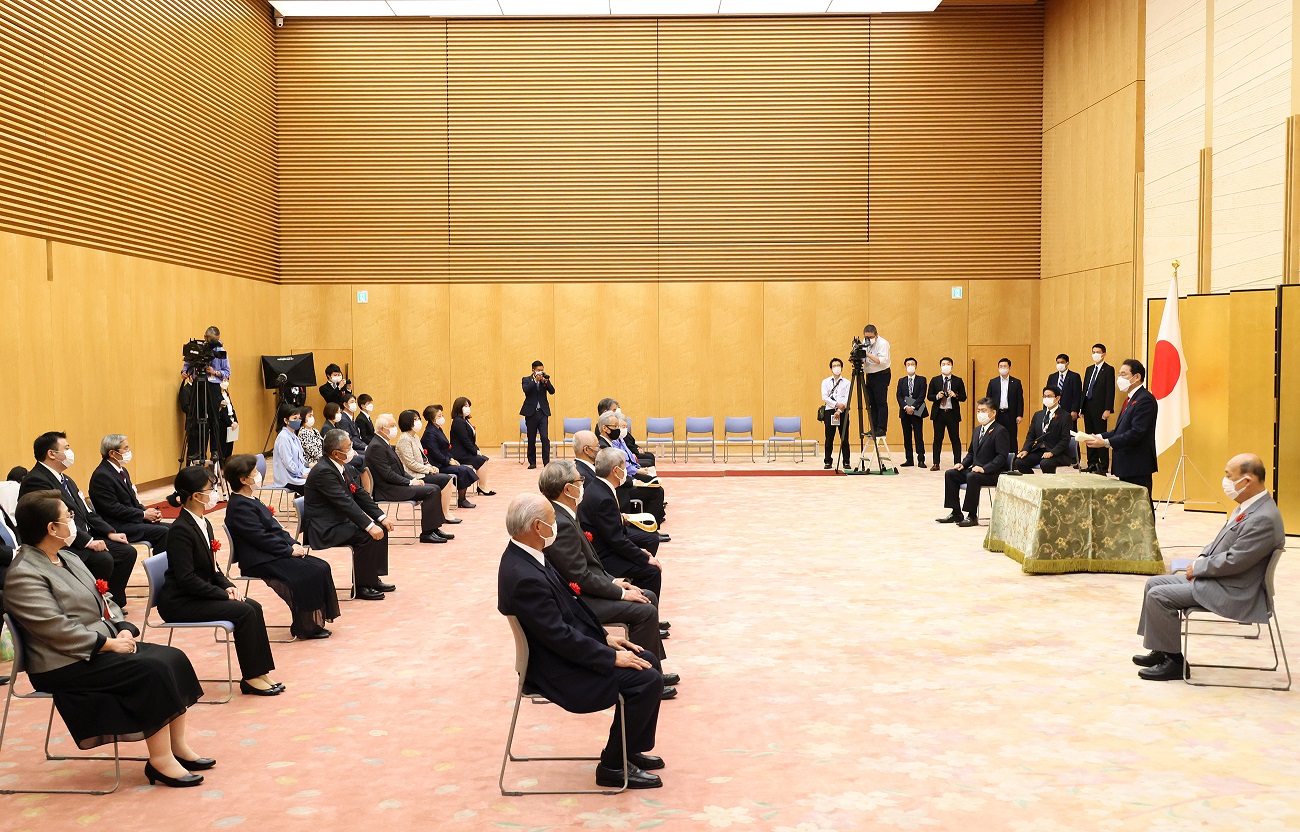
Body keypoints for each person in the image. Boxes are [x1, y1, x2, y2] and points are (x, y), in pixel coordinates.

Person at [3, 490, 209, 787]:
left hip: (97, 645)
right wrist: (108, 644)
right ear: (52, 528)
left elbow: (104, 596)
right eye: (68, 517)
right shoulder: (24, 573)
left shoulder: (67, 557)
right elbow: (54, 628)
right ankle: (160, 760)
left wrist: (121, 626)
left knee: (172, 657)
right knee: (151, 670)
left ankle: (177, 747)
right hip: (63, 663)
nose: (73, 521)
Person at [497, 493, 666, 789]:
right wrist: (609, 657)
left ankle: (626, 750)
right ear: (537, 527)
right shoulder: (525, 576)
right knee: (646, 679)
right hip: (556, 670)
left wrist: (605, 638)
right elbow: (559, 637)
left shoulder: (530, 556)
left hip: (562, 654)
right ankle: (612, 766)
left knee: (647, 661)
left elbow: (572, 606)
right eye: (552, 520)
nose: (556, 526)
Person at [1132, 454, 1284, 681]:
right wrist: (1201, 559)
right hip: (1222, 579)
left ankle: (1174, 662)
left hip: (1235, 590)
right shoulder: (1250, 506)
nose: (1225, 481)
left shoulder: (1264, 518)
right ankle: (1162, 648)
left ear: (1247, 480)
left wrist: (1200, 568)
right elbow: (1219, 542)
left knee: (1159, 596)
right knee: (1153, 583)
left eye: (1229, 476)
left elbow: (1235, 560)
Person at [540, 461, 676, 685]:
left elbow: (587, 566)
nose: (583, 484)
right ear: (567, 489)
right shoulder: (561, 522)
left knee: (647, 596)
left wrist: (615, 582)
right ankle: (647, 679)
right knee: (645, 610)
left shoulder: (565, 514)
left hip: (587, 590)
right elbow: (580, 575)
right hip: (580, 603)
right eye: (580, 481)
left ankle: (652, 669)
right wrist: (620, 593)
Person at [157, 467, 283, 696]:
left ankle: (260, 672)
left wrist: (228, 586)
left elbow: (213, 569)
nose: (215, 492)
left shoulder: (204, 523)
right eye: (211, 488)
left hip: (198, 594)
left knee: (253, 606)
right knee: (244, 612)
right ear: (196, 496)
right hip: (180, 601)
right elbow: (186, 579)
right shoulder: (180, 531)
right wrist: (223, 594)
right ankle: (251, 678)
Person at [222, 455, 339, 640]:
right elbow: (260, 538)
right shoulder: (239, 507)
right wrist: (288, 551)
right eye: (254, 472)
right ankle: (306, 626)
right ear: (243, 480)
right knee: (308, 573)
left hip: (270, 552)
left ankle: (312, 622)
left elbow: (275, 528)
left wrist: (292, 543)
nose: (259, 474)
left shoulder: (251, 499)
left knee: (321, 566)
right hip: (258, 559)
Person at [20, 432, 137, 607]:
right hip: (61, 541)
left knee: (126, 552)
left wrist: (109, 532)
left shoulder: (66, 479)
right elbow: (54, 519)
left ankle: (113, 603)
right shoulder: (36, 480)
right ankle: (92, 604)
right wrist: (88, 542)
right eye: (66, 448)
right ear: (52, 454)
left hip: (81, 535)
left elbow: (87, 513)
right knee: (103, 559)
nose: (70, 452)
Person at [304, 430, 395, 600]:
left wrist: (381, 517)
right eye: (348, 447)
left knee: (380, 527)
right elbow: (345, 503)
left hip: (339, 521)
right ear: (336, 453)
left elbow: (358, 493)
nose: (352, 450)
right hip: (324, 528)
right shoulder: (324, 472)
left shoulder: (340, 465)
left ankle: (372, 578)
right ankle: (362, 586)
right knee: (366, 535)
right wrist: (369, 526)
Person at [579, 448, 664, 600]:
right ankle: (645, 609)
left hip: (605, 546)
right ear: (616, 471)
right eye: (624, 466)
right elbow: (616, 540)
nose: (626, 471)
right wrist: (643, 557)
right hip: (603, 557)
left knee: (647, 547)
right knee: (652, 571)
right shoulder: (603, 498)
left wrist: (639, 552)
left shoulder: (598, 487)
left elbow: (615, 535)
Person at [369, 412, 454, 544]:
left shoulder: (385, 443)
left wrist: (413, 480)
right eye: (391, 425)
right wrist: (410, 482)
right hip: (388, 489)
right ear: (381, 429)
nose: (394, 428)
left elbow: (400, 470)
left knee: (435, 488)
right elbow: (388, 474)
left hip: (396, 485)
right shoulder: (376, 446)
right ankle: (427, 533)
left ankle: (434, 529)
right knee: (431, 491)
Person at [1084, 359, 1158, 503]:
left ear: (1136, 377)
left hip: (1137, 464)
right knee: (1128, 506)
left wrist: (1105, 442)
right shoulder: (1130, 399)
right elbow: (1120, 430)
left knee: (1141, 506)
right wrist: (1098, 436)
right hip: (1126, 463)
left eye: (1123, 374)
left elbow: (1136, 433)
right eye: (1119, 374)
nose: (1119, 378)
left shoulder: (1145, 399)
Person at [936, 398, 1010, 528]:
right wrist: (963, 464)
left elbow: (1002, 457)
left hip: (992, 473)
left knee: (973, 477)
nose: (980, 414)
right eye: (978, 411)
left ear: (993, 413)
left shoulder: (1000, 431)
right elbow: (971, 453)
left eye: (984, 411)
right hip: (975, 470)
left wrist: (984, 469)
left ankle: (971, 515)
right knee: (951, 474)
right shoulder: (977, 430)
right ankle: (956, 512)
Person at [89, 434, 170, 551]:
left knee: (174, 529)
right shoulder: (102, 475)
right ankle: (160, 563)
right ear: (112, 453)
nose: (129, 451)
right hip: (117, 524)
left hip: (131, 519)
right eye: (126, 448)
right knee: (163, 532)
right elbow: (113, 508)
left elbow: (133, 501)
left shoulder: (122, 471)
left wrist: (149, 513)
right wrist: (142, 515)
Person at [180, 326, 229, 465]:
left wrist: (214, 372)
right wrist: (184, 372)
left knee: (214, 419)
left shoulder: (221, 351)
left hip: (213, 387)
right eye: (212, 340)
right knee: (196, 418)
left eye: (216, 340)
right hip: (198, 385)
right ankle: (197, 450)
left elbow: (227, 372)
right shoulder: (197, 349)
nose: (214, 343)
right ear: (205, 337)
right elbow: (187, 364)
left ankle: (214, 450)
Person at [422, 404, 479, 508]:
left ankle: (462, 499)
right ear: (433, 419)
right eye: (439, 416)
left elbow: (445, 448)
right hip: (437, 465)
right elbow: (435, 453)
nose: (442, 418)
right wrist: (448, 461)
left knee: (465, 469)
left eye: (442, 415)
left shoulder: (438, 429)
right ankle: (462, 499)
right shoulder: (430, 433)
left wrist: (451, 458)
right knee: (463, 471)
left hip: (444, 461)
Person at [1014, 387, 1073, 474]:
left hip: (1058, 452)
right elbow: (1031, 436)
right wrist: (1025, 450)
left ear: (1057, 398)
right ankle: (1033, 480)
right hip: (1040, 450)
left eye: (1049, 396)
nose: (1046, 399)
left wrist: (1052, 452)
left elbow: (1065, 439)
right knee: (1019, 462)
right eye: (1044, 396)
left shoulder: (1065, 416)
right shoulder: (1038, 415)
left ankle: (1049, 482)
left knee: (1045, 463)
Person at [449, 396, 495, 496]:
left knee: (483, 459)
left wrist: (477, 449)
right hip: (460, 453)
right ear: (459, 407)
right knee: (481, 460)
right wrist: (475, 451)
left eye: (468, 406)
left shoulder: (465, 420)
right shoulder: (458, 421)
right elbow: (465, 440)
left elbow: (471, 440)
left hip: (465, 451)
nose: (468, 408)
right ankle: (482, 487)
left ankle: (483, 485)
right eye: (465, 406)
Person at [1081, 343, 1116, 474]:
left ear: (1103, 354)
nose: (1095, 354)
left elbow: (1110, 390)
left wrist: (1108, 409)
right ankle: (1092, 463)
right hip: (1088, 407)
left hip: (1100, 408)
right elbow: (1085, 389)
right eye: (1093, 352)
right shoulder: (1089, 369)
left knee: (1100, 435)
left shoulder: (1108, 369)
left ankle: (1103, 465)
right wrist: (1081, 408)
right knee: (1089, 436)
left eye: (1097, 352)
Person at [927, 358, 966, 471]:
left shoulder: (958, 380)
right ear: (940, 367)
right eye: (943, 364)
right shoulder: (935, 380)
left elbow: (963, 397)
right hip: (939, 413)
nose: (946, 366)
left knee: (955, 439)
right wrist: (937, 396)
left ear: (952, 366)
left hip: (952, 413)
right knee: (937, 439)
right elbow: (929, 396)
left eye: (948, 364)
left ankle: (957, 463)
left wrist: (955, 395)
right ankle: (936, 463)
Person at [597, 399, 653, 468]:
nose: (618, 429)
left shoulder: (615, 434)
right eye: (614, 410)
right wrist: (636, 469)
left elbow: (628, 443)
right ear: (605, 428)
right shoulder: (604, 442)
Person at [521, 360, 555, 469]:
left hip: (543, 413)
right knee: (531, 438)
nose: (541, 372)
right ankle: (532, 462)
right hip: (531, 413)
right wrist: (535, 381)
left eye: (542, 370)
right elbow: (526, 390)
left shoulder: (544, 379)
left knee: (544, 437)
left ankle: (546, 462)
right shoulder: (526, 379)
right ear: (533, 370)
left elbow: (552, 391)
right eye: (539, 370)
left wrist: (546, 382)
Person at [860, 324, 892, 438]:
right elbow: (863, 358)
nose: (868, 339)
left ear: (876, 335)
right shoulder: (864, 342)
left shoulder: (883, 343)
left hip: (881, 375)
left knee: (880, 402)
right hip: (870, 375)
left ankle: (881, 428)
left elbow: (880, 361)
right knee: (871, 403)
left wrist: (867, 354)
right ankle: (874, 427)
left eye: (871, 337)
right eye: (866, 337)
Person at [985, 358, 1024, 449]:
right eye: (1001, 366)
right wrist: (988, 413)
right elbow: (988, 399)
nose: (1003, 368)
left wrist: (1019, 415)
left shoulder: (1016, 382)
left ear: (1009, 367)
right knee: (995, 436)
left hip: (1010, 414)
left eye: (1005, 366)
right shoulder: (993, 382)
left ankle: (1013, 456)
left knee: (1012, 437)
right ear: (998, 368)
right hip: (997, 414)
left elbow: (1020, 400)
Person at [896, 357, 927, 468]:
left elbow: (922, 395)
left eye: (912, 364)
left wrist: (913, 406)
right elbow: (899, 396)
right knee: (907, 436)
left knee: (918, 435)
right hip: (905, 412)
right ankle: (909, 459)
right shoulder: (901, 381)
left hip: (917, 411)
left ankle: (921, 459)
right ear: (905, 367)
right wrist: (906, 407)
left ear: (916, 366)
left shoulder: (921, 379)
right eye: (908, 364)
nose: (910, 366)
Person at [272, 406, 309, 495]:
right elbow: (288, 463)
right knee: (314, 486)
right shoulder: (283, 437)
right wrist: (301, 475)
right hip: (288, 478)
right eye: (294, 418)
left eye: (299, 418)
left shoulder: (293, 435)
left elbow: (300, 458)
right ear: (286, 420)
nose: (298, 421)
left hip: (297, 473)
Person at [822, 358, 851, 470]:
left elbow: (847, 398)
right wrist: (836, 405)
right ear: (831, 368)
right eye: (834, 366)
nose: (836, 367)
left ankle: (846, 461)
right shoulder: (825, 382)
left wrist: (839, 410)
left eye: (838, 365)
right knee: (829, 437)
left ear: (842, 367)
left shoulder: (847, 382)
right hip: (829, 411)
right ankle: (827, 461)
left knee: (844, 438)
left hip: (843, 412)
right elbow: (824, 397)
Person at [1046, 353, 1084, 432]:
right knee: (1054, 431)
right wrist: (1046, 409)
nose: (1060, 364)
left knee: (1070, 432)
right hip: (1054, 409)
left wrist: (1074, 410)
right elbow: (1047, 393)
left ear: (1067, 363)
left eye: (1062, 362)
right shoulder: (1052, 377)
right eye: (1058, 362)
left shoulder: (1074, 376)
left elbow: (1077, 394)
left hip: (1068, 410)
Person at [216, 378, 239, 461]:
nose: (225, 382)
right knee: (223, 448)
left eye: (226, 380)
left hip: (231, 424)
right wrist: (230, 423)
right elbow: (221, 412)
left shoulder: (226, 394)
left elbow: (231, 408)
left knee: (230, 448)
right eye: (223, 380)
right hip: (223, 424)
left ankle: (228, 464)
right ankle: (222, 466)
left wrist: (235, 421)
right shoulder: (217, 395)